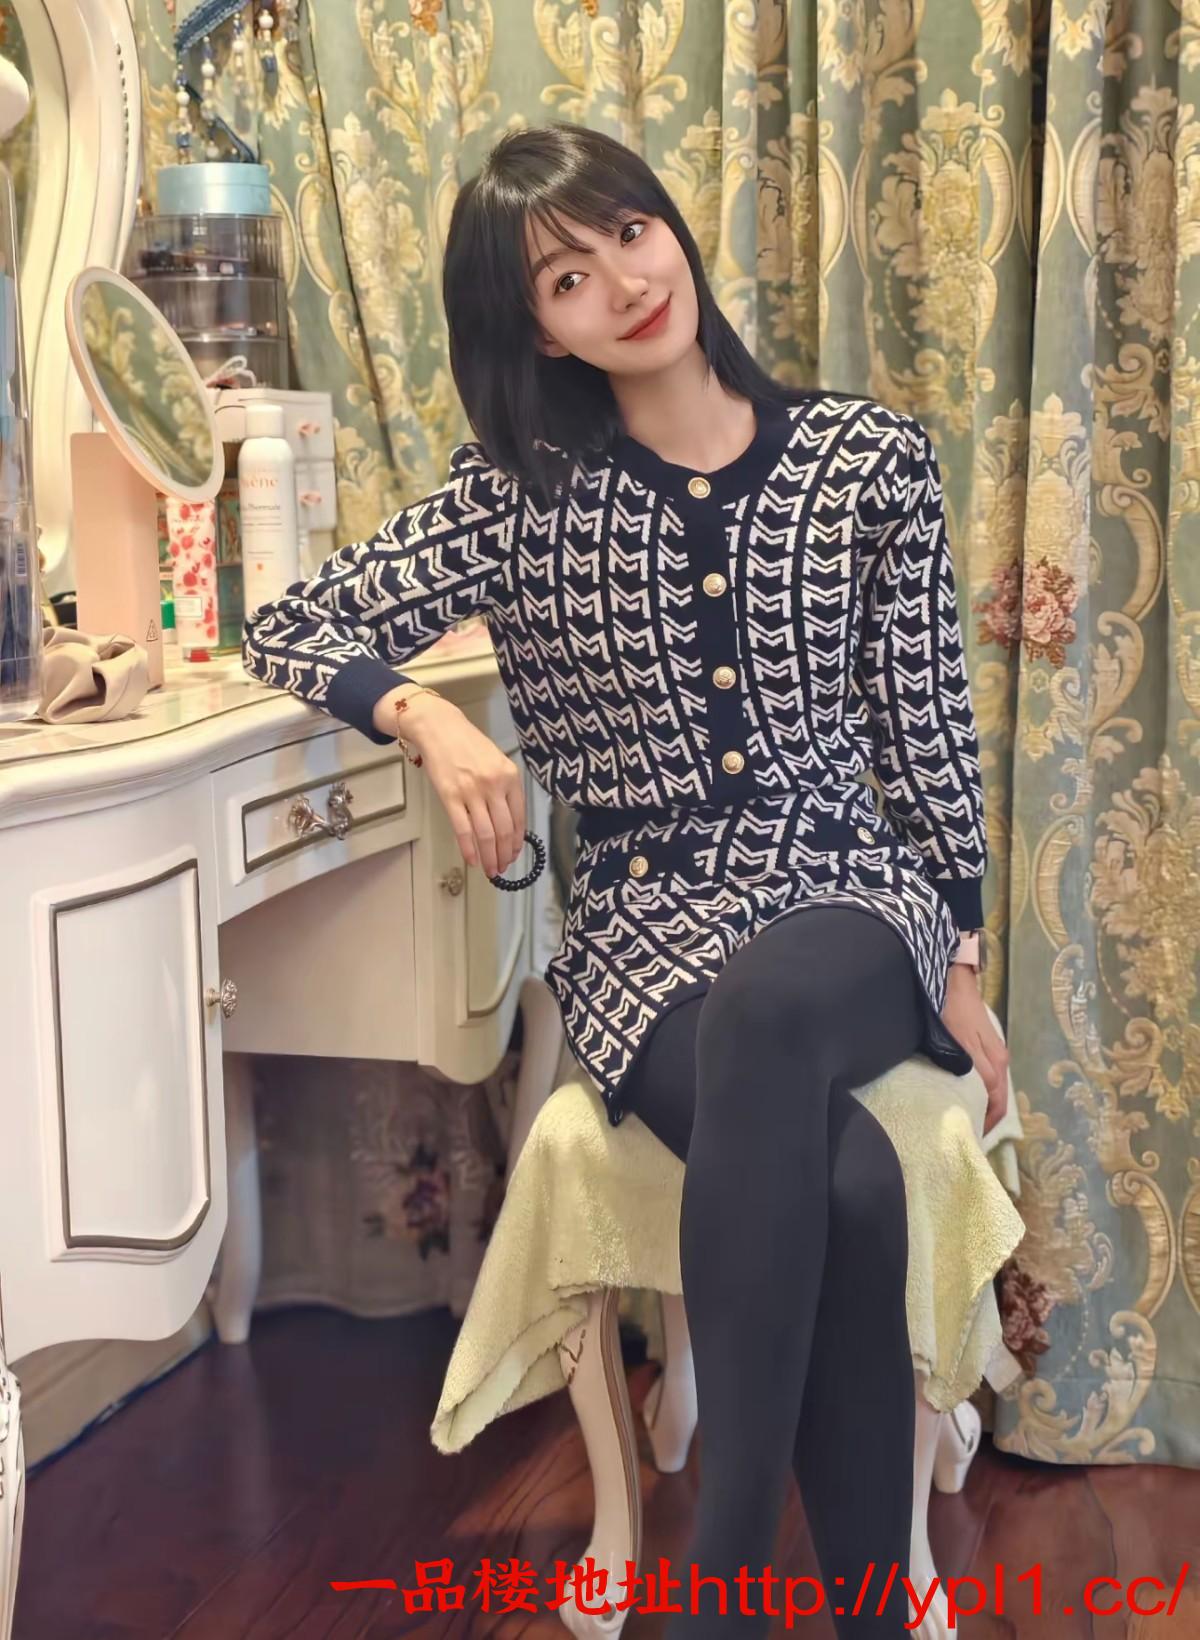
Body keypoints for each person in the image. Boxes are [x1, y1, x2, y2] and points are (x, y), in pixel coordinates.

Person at [242, 121, 1008, 1636]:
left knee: (773, 1012)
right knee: (851, 1185)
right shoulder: (519, 495)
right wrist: (425, 721)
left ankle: (721, 1585)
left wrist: (965, 973)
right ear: (539, 331)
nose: (624, 284)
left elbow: (923, 733)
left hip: (849, 900)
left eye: (630, 235)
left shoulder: (868, 463)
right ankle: (866, 1611)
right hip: (648, 936)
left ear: (673, 228)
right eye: (567, 279)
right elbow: (291, 623)